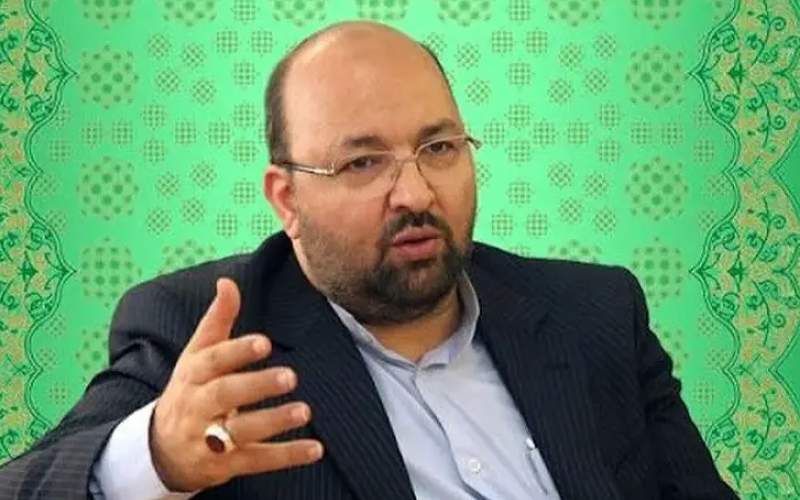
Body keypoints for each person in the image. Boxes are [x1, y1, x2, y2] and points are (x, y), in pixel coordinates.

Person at [0, 21, 738, 500]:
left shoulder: (595, 314)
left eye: (438, 148)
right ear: (287, 199)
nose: (415, 193)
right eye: (362, 163)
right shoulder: (206, 331)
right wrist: (158, 454)